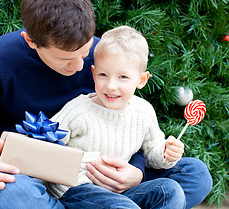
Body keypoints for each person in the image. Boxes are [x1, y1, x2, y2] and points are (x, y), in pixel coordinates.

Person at [0, 0, 212, 209]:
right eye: (66, 59)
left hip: (100, 173)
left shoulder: (100, 54)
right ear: (31, 41)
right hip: (30, 178)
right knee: (11, 194)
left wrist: (136, 172)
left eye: (85, 52)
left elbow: (129, 121)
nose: (82, 66)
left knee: (195, 175)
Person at [46, 25, 186, 209]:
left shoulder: (143, 111)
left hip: (120, 191)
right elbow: (47, 149)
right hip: (77, 190)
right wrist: (88, 161)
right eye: (103, 75)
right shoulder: (78, 111)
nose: (111, 86)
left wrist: (166, 154)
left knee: (171, 191)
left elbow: (152, 153)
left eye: (123, 77)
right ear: (94, 74)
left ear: (141, 80)